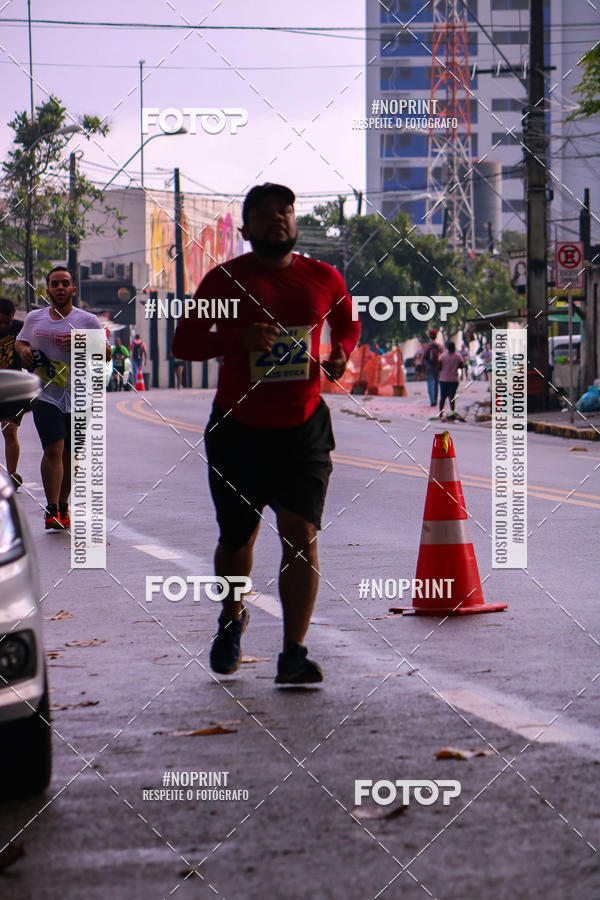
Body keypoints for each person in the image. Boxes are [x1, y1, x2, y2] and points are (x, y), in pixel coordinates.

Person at [173, 182, 360, 685]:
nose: (278, 219)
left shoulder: (323, 276)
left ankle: (293, 654)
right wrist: (238, 337)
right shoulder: (224, 279)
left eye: (286, 211)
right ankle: (232, 617)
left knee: (301, 537)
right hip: (238, 429)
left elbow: (347, 322)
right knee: (237, 539)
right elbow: (184, 342)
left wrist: (341, 352)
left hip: (303, 427)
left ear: (295, 221)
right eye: (265, 213)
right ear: (246, 226)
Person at [15, 267, 111, 530]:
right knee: (53, 448)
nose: (59, 288)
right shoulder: (35, 319)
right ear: (48, 290)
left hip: (80, 395)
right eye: (55, 284)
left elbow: (107, 354)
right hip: (46, 394)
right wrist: (24, 351)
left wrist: (85, 342)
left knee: (71, 453)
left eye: (65, 283)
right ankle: (52, 508)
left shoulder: (88, 321)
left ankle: (64, 504)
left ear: (73, 289)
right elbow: (21, 342)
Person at [0, 298, 25, 489]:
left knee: (9, 430)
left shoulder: (21, 328)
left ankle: (11, 475)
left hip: (13, 386)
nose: (4, 325)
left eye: (7, 321)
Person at [438, 340, 464, 417]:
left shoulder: (442, 356)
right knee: (451, 397)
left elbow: (439, 366)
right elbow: (461, 366)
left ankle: (440, 413)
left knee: (443, 397)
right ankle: (452, 412)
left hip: (443, 379)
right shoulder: (458, 356)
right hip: (454, 380)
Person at [423, 329, 442, 406]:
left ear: (430, 336)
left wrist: (423, 366)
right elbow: (443, 354)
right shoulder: (438, 346)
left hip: (429, 365)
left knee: (430, 382)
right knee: (436, 383)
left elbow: (423, 356)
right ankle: (436, 399)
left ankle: (432, 400)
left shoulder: (428, 346)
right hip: (437, 366)